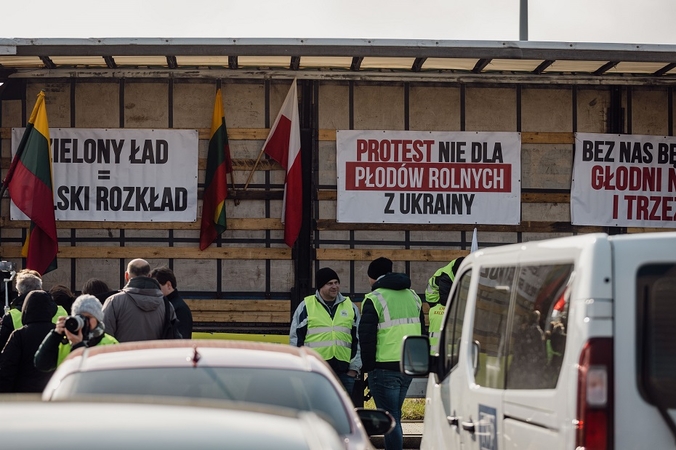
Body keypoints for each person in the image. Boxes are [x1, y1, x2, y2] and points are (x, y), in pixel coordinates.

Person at [359, 257, 424, 450]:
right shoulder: (413, 296)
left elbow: (367, 337)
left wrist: (367, 368)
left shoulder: (375, 298)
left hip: (384, 367)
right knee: (395, 413)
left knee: (390, 417)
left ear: (373, 277)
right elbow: (421, 331)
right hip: (407, 366)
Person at [289, 267, 362, 396]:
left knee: (341, 414)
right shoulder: (306, 306)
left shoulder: (350, 307)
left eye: (336, 282)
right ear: (320, 287)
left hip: (344, 373)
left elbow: (358, 339)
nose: (334, 286)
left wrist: (354, 369)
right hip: (315, 372)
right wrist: (300, 366)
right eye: (330, 283)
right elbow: (296, 339)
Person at [35, 294, 119, 371]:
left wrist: (78, 346)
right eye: (80, 317)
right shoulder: (65, 342)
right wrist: (55, 335)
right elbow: (41, 365)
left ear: (97, 319)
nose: (84, 321)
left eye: (88, 317)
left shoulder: (110, 344)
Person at [102, 258, 177, 342]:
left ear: (126, 276)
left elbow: (104, 338)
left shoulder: (114, 302)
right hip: (156, 355)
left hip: (122, 354)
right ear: (149, 276)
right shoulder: (166, 304)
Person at [0, 290, 57, 392]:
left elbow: (7, 368)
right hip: (52, 392)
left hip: (24, 396)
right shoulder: (58, 333)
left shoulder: (19, 335)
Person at [0, 270, 67, 352]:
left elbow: (3, 349)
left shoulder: (12, 316)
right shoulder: (61, 311)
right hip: (56, 362)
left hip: (23, 362)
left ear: (19, 293)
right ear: (41, 289)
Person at [425, 256, 465, 355]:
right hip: (436, 302)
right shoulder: (445, 276)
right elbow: (445, 300)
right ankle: (436, 355)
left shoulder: (458, 269)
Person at [150, 266, 192, 339]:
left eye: (156, 287)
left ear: (168, 285)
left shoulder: (180, 309)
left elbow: (182, 340)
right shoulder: (173, 305)